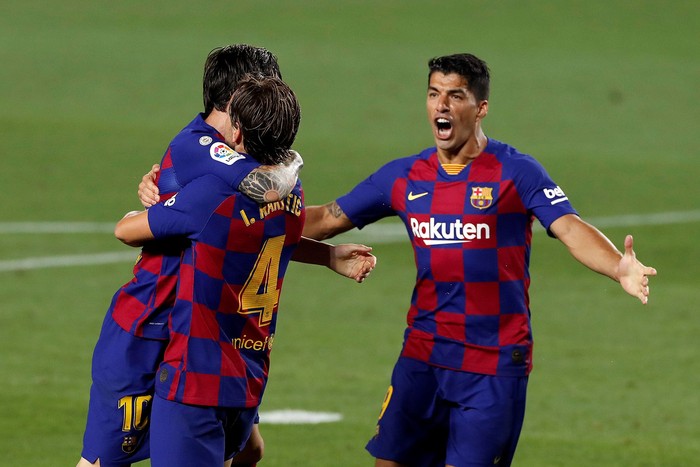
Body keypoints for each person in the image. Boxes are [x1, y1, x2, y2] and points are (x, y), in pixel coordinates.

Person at [298, 53, 657, 467]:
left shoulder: (515, 172)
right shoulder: (404, 177)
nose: (441, 106)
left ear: (481, 108)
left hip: (493, 364)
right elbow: (326, 219)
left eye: (455, 96)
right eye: (434, 94)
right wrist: (256, 219)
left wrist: (618, 266)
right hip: (423, 355)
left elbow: (569, 228)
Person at [78, 44, 333, 467]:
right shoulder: (205, 150)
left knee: (249, 449)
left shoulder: (223, 157)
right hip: (150, 327)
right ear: (237, 102)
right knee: (103, 461)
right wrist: (293, 164)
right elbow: (265, 189)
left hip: (203, 330)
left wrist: (327, 256)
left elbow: (263, 227)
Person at [116, 74, 374, 467]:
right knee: (250, 453)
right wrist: (327, 256)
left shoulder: (209, 196)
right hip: (248, 379)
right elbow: (268, 238)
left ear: (236, 131)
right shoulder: (292, 195)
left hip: (194, 382)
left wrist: (148, 203)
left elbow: (126, 231)